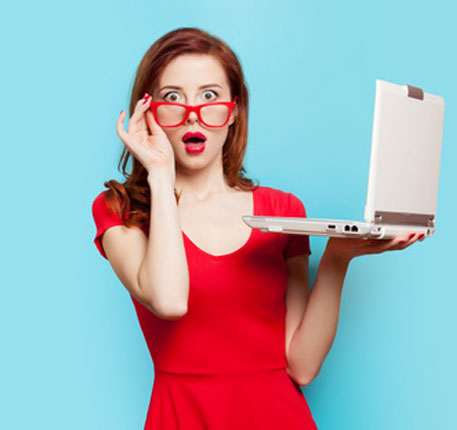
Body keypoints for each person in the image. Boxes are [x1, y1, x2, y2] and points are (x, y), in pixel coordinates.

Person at [91, 27, 424, 430]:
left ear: (233, 111)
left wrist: (337, 258)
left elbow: (301, 366)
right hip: (180, 417)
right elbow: (170, 301)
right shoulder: (121, 211)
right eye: (173, 97)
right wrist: (160, 176)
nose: (192, 113)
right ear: (150, 112)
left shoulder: (282, 211)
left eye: (210, 96)